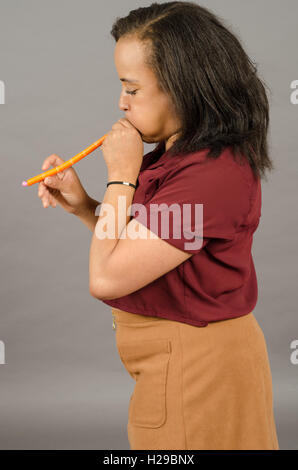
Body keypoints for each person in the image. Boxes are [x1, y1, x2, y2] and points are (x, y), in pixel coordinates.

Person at [37, 1, 279, 450]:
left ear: (183, 90)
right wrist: (84, 205)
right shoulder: (181, 157)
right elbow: (142, 250)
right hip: (179, 363)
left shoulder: (211, 175)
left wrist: (120, 176)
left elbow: (107, 278)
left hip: (198, 370)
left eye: (132, 88)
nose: (120, 102)